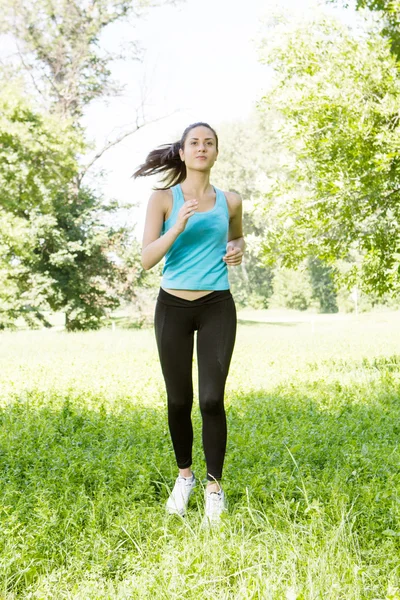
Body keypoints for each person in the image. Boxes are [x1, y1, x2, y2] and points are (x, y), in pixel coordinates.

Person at [133, 122, 245, 526]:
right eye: (194, 142)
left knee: (212, 399)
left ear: (216, 153)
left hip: (217, 304)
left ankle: (214, 488)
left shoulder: (230, 201)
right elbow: (147, 258)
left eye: (209, 142)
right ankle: (186, 478)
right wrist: (177, 226)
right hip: (173, 306)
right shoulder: (163, 199)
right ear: (182, 152)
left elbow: (237, 239)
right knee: (179, 400)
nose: (202, 147)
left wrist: (236, 250)